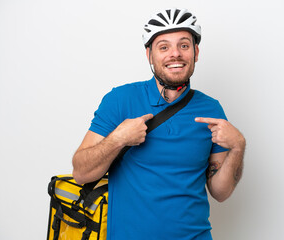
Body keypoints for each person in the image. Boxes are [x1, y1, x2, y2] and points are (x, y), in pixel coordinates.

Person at [72, 8, 245, 240]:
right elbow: (81, 173)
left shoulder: (211, 110)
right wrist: (119, 138)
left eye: (184, 45)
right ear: (149, 55)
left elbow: (220, 192)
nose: (175, 54)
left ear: (196, 52)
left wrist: (238, 147)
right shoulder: (120, 100)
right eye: (164, 47)